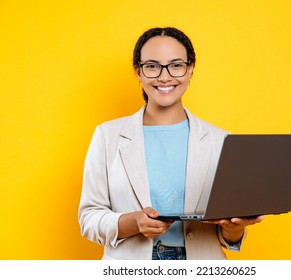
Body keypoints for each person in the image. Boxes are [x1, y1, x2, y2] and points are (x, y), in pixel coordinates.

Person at [78, 27, 263, 260]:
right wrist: (133, 222)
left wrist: (235, 228)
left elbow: (229, 235)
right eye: (152, 66)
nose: (164, 77)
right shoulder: (107, 136)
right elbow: (88, 218)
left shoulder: (221, 140)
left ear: (191, 69)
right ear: (138, 71)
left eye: (176, 65)